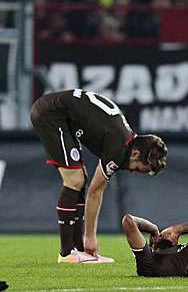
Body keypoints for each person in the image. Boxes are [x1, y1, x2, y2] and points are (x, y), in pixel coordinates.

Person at [30, 89, 168, 264]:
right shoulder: (119, 146)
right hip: (51, 115)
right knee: (74, 180)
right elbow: (95, 191)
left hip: (58, 114)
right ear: (135, 154)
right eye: (139, 168)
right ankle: (67, 253)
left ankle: (78, 251)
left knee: (80, 180)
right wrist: (90, 236)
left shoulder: (124, 138)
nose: (132, 171)